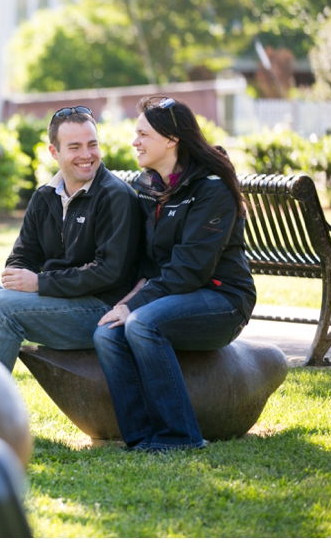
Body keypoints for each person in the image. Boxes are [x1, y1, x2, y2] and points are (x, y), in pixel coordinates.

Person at [94, 97, 256, 452]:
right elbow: (146, 265)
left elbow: (190, 270)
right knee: (107, 332)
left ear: (171, 139)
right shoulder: (150, 187)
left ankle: (180, 437)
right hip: (172, 293)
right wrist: (124, 302)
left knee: (142, 323)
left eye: (142, 134)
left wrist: (135, 307)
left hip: (222, 298)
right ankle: (140, 437)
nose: (134, 141)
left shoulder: (211, 188)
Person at [0, 106, 142, 371]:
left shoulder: (115, 196)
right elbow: (24, 254)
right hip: (58, 301)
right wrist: (17, 274)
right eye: (75, 147)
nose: (86, 155)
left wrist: (39, 283)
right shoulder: (45, 196)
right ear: (54, 152)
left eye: (92, 145)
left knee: (3, 305)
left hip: (101, 309)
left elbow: (108, 271)